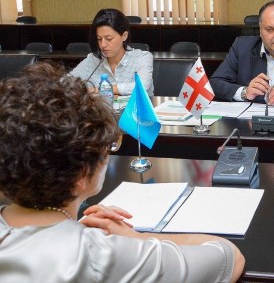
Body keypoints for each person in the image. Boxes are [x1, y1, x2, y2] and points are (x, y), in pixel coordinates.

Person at [0, 63, 245, 282]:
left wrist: (70, 224)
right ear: (82, 174)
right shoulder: (100, 255)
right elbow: (229, 258)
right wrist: (136, 238)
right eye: (108, 147)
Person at [70, 8, 154, 96]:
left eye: (109, 39)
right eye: (99, 39)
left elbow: (142, 86)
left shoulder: (142, 58)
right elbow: (66, 83)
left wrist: (101, 89)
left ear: (124, 36)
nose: (103, 45)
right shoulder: (93, 59)